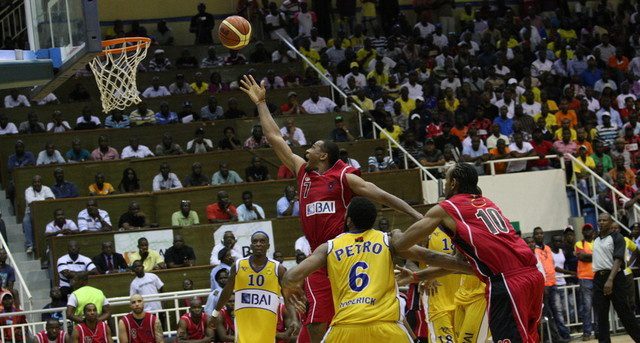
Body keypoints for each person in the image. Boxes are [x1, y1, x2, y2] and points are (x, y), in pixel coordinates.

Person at [240, 74, 423, 341]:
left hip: (346, 256)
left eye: (314, 147)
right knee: (317, 324)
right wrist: (261, 103)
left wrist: (418, 215)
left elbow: (382, 195)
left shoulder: (343, 177)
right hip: (318, 259)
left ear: (324, 155)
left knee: (375, 317)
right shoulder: (302, 171)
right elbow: (275, 138)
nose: (308, 149)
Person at [391, 163, 545, 342]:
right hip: (532, 276)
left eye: (447, 180)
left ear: (454, 183)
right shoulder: (487, 204)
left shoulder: (448, 208)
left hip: (507, 282)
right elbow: (461, 265)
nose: (446, 184)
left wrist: (394, 235)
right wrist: (419, 276)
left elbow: (402, 245)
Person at [282, 197, 465, 342]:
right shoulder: (388, 241)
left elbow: (291, 276)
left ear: (348, 220)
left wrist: (290, 288)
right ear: (372, 220)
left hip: (345, 328)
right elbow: (431, 257)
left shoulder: (328, 247)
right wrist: (468, 266)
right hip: (386, 328)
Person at [210, 232, 299, 342]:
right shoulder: (238, 265)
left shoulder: (278, 268)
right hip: (244, 322)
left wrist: (294, 318)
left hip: (267, 323)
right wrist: (215, 313)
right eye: (255, 241)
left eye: (262, 241)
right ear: (251, 246)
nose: (258, 244)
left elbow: (287, 295)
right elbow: (227, 292)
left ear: (268, 246)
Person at [592, 213, 640, 341]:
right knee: (601, 315)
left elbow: (618, 260)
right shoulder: (596, 239)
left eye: (604, 220)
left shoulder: (617, 237)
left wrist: (610, 280)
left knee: (625, 313)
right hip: (598, 277)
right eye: (599, 220)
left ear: (610, 222)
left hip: (615, 277)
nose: (601, 222)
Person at [533, 227, 570, 342]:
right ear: (534, 236)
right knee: (546, 313)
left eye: (541, 233)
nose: (539, 235)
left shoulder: (548, 248)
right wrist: (543, 285)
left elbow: (553, 265)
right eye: (537, 234)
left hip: (553, 284)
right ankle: (551, 338)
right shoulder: (534, 250)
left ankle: (562, 336)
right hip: (544, 287)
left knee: (558, 311)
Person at [575, 223, 596, 340]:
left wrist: (588, 256)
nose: (587, 232)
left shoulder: (597, 242)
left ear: (593, 231)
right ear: (582, 232)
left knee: (598, 306)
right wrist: (596, 255)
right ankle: (587, 332)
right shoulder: (579, 243)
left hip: (598, 278)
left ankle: (598, 331)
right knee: (586, 307)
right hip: (585, 278)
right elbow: (581, 257)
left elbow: (586, 256)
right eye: (585, 230)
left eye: (589, 229)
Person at [24, 175, 55, 253]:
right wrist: (45, 199)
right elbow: (31, 201)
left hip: (45, 211)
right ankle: (29, 245)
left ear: (41, 182)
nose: (36, 184)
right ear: (32, 183)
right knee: (25, 221)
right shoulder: (28, 190)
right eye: (34, 182)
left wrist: (38, 200)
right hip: (30, 212)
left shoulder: (46, 189)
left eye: (38, 182)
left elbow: (52, 199)